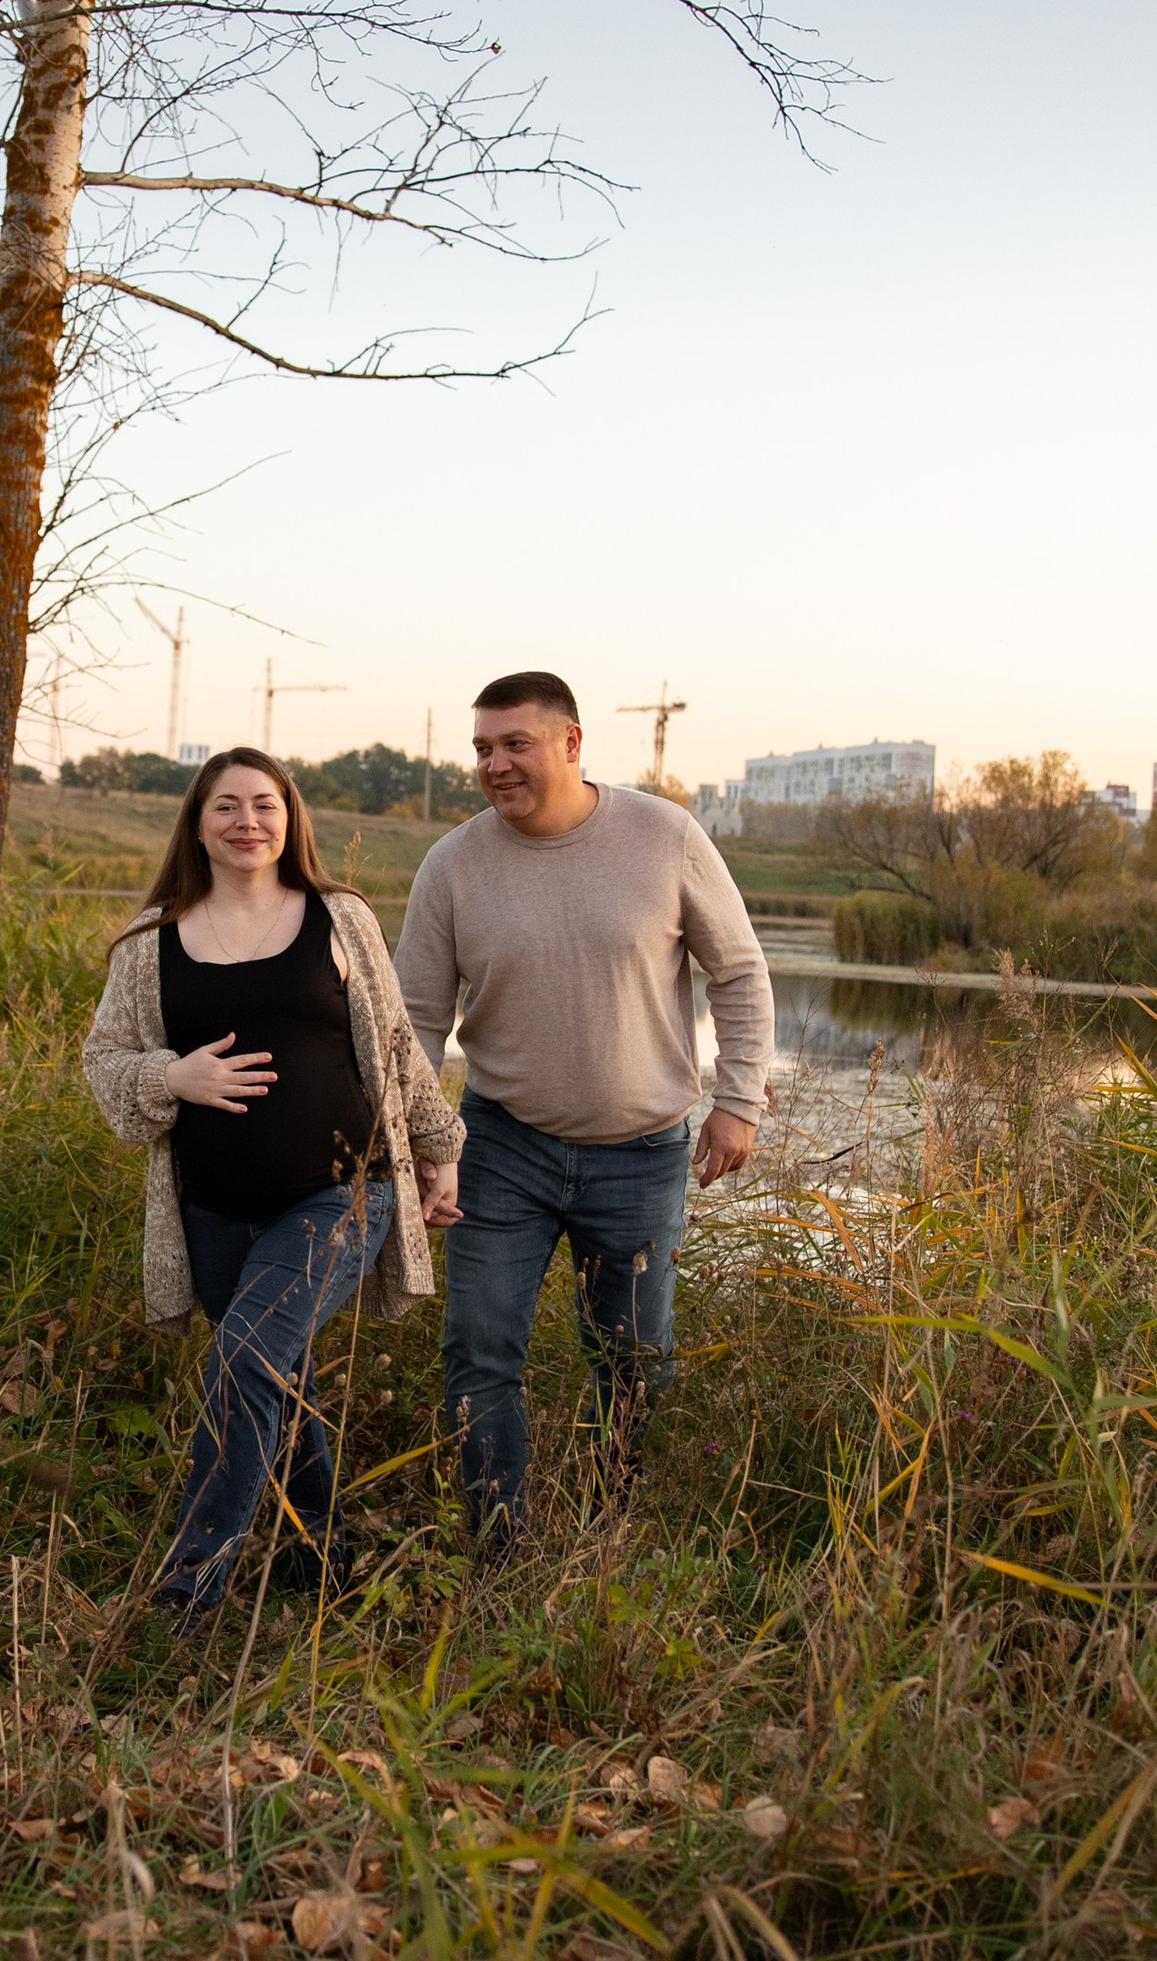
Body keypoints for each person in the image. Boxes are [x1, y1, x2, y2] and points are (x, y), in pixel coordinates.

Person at [83, 747, 462, 1627]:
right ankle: (324, 1568)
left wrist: (440, 1144)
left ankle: (186, 1593)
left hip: (341, 1191)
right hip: (212, 1210)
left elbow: (395, 1044)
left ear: (290, 821)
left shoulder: (339, 918)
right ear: (197, 823)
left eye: (265, 804)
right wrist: (171, 1077)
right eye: (226, 806)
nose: (247, 821)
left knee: (246, 1360)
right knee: (278, 1381)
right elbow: (103, 1060)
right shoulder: (151, 941)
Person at [394, 671, 774, 1546]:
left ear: (570, 743)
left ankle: (608, 1537)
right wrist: (421, 1138)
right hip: (501, 1146)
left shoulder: (664, 838)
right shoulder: (452, 864)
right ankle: (498, 1545)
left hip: (642, 1152)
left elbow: (739, 972)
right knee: (479, 1350)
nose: (495, 765)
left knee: (633, 1363)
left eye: (515, 744)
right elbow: (415, 1019)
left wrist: (739, 1099)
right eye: (483, 748)